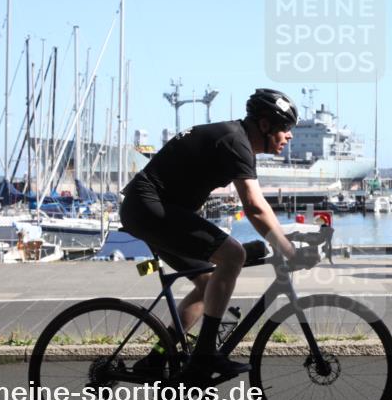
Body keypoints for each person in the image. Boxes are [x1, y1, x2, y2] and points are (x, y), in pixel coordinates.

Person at [121, 89, 300, 379]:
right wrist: (287, 248)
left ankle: (155, 360)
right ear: (265, 125)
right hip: (150, 208)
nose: (289, 136)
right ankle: (205, 356)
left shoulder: (236, 139)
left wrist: (279, 238)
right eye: (285, 128)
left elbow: (258, 206)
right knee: (233, 255)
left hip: (150, 210)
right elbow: (254, 206)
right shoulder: (235, 141)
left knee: (208, 284)